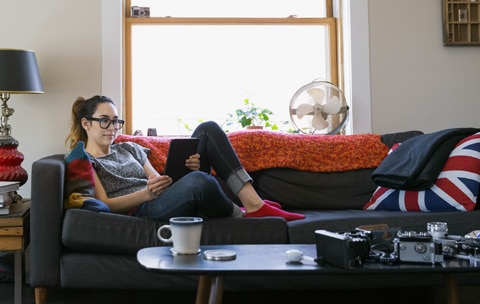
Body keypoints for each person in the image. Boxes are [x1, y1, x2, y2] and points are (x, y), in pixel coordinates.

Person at [65, 95, 305, 222]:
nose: (113, 127)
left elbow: (160, 180)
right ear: (86, 123)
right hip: (143, 210)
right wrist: (148, 193)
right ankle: (245, 212)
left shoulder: (130, 148)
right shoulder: (86, 160)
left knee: (208, 129)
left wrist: (186, 171)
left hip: (162, 197)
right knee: (201, 182)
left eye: (116, 121)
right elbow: (106, 204)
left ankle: (253, 202)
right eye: (105, 120)